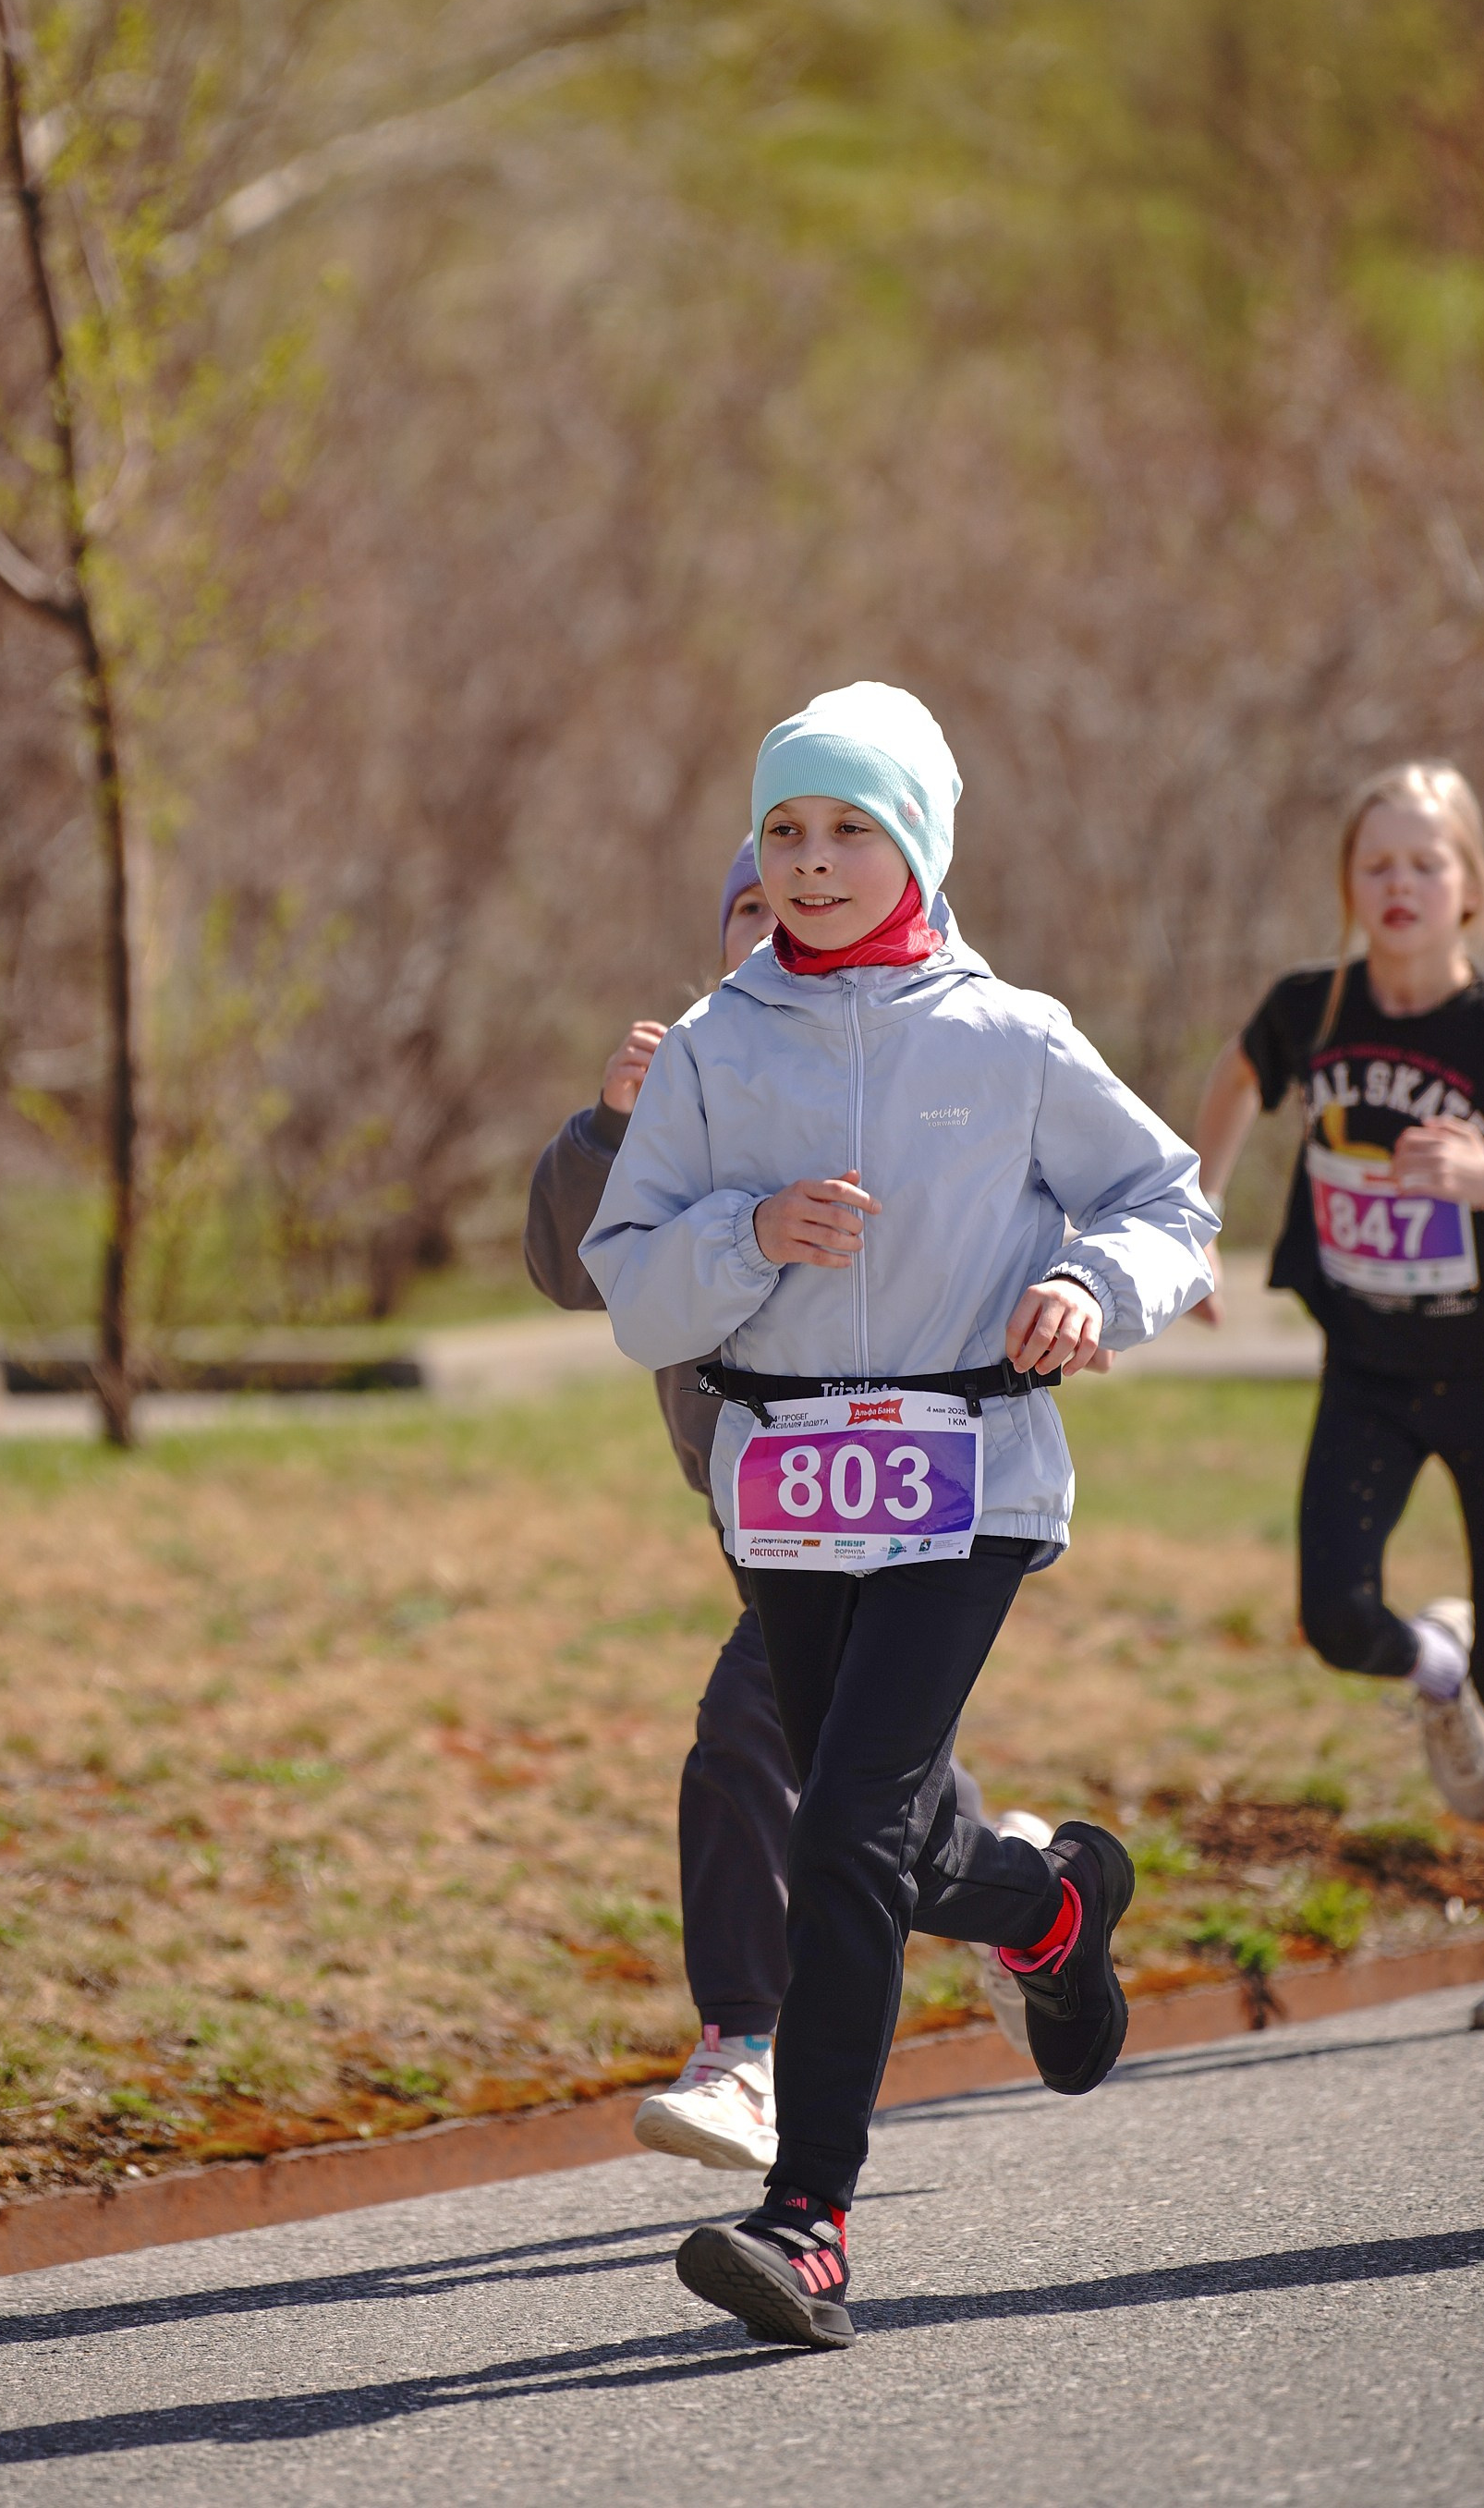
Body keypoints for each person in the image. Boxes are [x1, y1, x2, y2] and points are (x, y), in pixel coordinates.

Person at [582, 682, 1215, 2349]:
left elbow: (1173, 1202)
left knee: (841, 1822)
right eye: (785, 830)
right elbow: (632, 1286)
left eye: (851, 828)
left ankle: (810, 2222)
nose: (811, 861)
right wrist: (748, 1238)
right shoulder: (718, 1046)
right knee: (900, 1835)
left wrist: (1089, 1279)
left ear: (919, 846)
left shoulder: (1010, 1038)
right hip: (788, 1494)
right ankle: (1055, 1910)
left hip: (970, 1479)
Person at [524, 838, 1019, 2177]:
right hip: (763, 1516)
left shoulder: (903, 1068)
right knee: (863, 1772)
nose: (777, 913)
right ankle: (1022, 1894)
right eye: (746, 902)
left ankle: (744, 2049)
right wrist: (614, 1131)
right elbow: (573, 1275)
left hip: (909, 1503)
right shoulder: (692, 1088)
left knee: (747, 1736)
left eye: (804, 888)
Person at [1191, 760, 1484, 2031]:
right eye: (1375, 863)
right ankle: (1433, 1671)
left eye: (1425, 863)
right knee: (1333, 1615)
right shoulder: (1310, 1009)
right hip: (1368, 1369)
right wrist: (1196, 1213)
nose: (1398, 884)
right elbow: (1234, 1079)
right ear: (1349, 887)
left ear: (1471, 890)